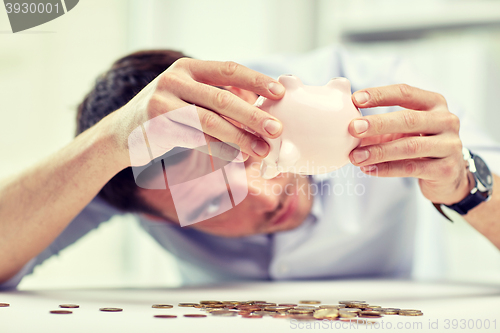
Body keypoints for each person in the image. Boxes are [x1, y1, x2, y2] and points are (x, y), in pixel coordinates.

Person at [1, 46, 499, 288]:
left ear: (247, 103)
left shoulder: (380, 98)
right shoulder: (123, 177)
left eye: (244, 150)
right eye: (208, 197)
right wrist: (109, 140)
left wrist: (465, 184)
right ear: (154, 217)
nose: (263, 194)